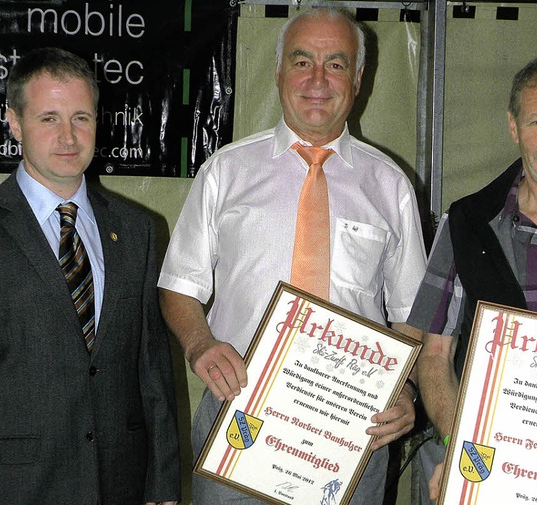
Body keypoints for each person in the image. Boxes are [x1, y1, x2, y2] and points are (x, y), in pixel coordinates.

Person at [158, 7, 427, 505]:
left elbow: (413, 313)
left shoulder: (390, 186)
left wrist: (402, 388)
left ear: (359, 79)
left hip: (354, 430)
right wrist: (198, 345)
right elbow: (179, 284)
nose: (318, 79)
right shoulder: (225, 172)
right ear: (279, 70)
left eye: (337, 64)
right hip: (239, 412)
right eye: (302, 61)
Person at [0, 47, 181, 504]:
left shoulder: (137, 229)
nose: (68, 136)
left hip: (119, 485)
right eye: (48, 118)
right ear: (13, 122)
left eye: (81, 118)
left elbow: (152, 371)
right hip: (15, 488)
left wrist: (163, 485)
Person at [407, 54, 537, 503]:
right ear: (514, 126)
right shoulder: (467, 223)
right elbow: (435, 353)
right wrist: (459, 443)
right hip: (493, 473)